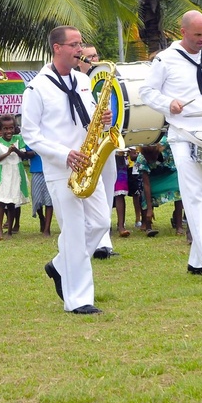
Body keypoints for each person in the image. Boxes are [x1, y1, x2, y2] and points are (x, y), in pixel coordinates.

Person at [22, 25, 113, 314]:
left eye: (80, 44)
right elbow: (30, 135)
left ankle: (60, 265)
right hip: (61, 167)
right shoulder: (37, 87)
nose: (80, 50)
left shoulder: (82, 81)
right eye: (74, 44)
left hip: (88, 162)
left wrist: (105, 120)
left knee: (100, 223)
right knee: (73, 232)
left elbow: (88, 120)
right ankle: (79, 300)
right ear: (57, 48)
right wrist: (65, 154)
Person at [140, 10, 202, 279]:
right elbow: (147, 92)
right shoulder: (165, 59)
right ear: (183, 32)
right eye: (197, 35)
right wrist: (168, 103)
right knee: (194, 195)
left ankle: (198, 260)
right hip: (183, 134)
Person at [75, 45, 119, 259]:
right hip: (82, 147)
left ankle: (105, 239)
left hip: (101, 142)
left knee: (107, 187)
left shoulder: (98, 80)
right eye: (90, 56)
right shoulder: (76, 80)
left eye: (96, 55)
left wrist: (105, 121)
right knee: (87, 192)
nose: (95, 59)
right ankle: (92, 241)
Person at [0, 114, 31, 240]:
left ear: (14, 128)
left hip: (15, 172)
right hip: (2, 173)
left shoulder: (19, 139)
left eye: (11, 128)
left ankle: (10, 231)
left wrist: (15, 151)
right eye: (5, 129)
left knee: (12, 202)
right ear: (0, 130)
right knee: (2, 201)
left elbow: (23, 156)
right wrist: (8, 153)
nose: (8, 131)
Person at [136, 137, 184, 238]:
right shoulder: (141, 159)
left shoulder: (166, 144)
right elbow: (146, 184)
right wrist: (149, 209)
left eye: (152, 158)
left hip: (170, 173)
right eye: (148, 159)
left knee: (178, 189)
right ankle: (148, 227)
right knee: (145, 196)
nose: (150, 160)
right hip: (152, 178)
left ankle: (179, 226)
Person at [28, 148, 54, 238]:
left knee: (49, 201)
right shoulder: (33, 136)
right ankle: (41, 217)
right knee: (37, 200)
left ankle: (47, 229)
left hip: (51, 171)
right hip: (36, 171)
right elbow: (27, 153)